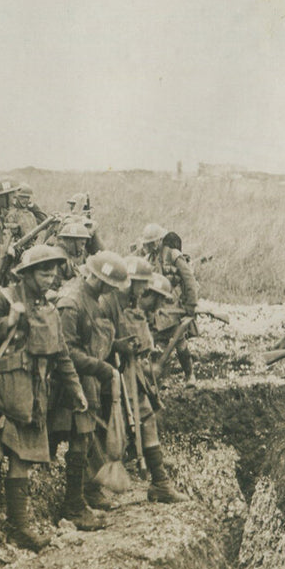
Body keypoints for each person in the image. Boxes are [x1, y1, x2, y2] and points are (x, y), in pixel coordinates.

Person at [0, 244, 87, 551]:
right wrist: (6, 323)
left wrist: (76, 389)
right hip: (2, 390)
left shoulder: (49, 308)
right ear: (27, 274)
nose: (50, 277)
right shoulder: (5, 298)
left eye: (53, 272)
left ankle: (19, 527)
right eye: (44, 272)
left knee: (23, 460)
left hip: (34, 394)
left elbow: (62, 354)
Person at [53, 251, 132, 531]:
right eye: (109, 285)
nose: (112, 291)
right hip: (69, 382)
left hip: (87, 379)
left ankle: (83, 495)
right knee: (79, 439)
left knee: (85, 438)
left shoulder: (93, 300)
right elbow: (65, 350)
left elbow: (93, 341)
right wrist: (100, 368)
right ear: (99, 280)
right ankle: (73, 506)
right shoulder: (72, 303)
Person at [114, 262, 186, 504]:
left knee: (147, 418)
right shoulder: (120, 309)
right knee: (118, 426)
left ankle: (160, 481)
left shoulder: (138, 312)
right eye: (158, 299)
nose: (159, 305)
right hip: (120, 374)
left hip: (135, 373)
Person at [133, 222, 199, 383]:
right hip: (157, 308)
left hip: (174, 306)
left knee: (180, 342)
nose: (148, 246)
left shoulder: (173, 255)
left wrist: (191, 305)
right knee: (158, 344)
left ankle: (190, 375)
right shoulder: (149, 258)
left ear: (158, 241)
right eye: (147, 244)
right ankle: (161, 381)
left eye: (151, 243)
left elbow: (189, 280)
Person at [55, 217, 94, 283]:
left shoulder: (80, 254)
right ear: (71, 241)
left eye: (84, 244)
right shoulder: (59, 259)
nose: (83, 248)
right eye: (82, 244)